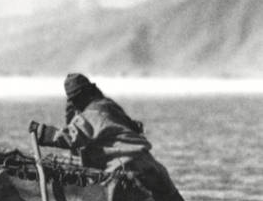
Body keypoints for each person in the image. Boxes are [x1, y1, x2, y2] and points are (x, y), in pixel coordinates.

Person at [28, 72, 176, 194]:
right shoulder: (108, 106)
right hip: (151, 165)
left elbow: (72, 136)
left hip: (127, 168)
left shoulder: (93, 113)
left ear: (82, 97)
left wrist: (41, 131)